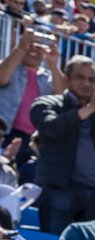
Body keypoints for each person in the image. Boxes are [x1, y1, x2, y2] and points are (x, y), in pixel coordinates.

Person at [32, 55, 95, 234]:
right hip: (60, 189)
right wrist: (86, 110)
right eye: (80, 77)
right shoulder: (48, 103)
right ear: (66, 79)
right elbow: (51, 128)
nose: (86, 83)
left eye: (91, 79)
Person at [0, 29, 64, 166]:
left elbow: (60, 96)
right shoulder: (11, 65)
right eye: (31, 46)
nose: (34, 50)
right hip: (5, 133)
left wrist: (53, 64)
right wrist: (21, 48)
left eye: (38, 47)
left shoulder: (47, 76)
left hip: (33, 140)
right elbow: (2, 78)